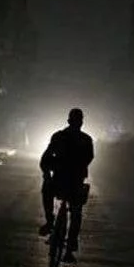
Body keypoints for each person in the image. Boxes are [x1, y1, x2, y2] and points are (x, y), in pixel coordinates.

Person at [39, 108, 94, 256]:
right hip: (75, 183)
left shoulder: (59, 136)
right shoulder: (86, 140)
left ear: (68, 120)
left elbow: (46, 158)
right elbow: (88, 159)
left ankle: (50, 221)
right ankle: (71, 242)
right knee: (76, 212)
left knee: (47, 190)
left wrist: (47, 172)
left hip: (60, 181)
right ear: (81, 122)